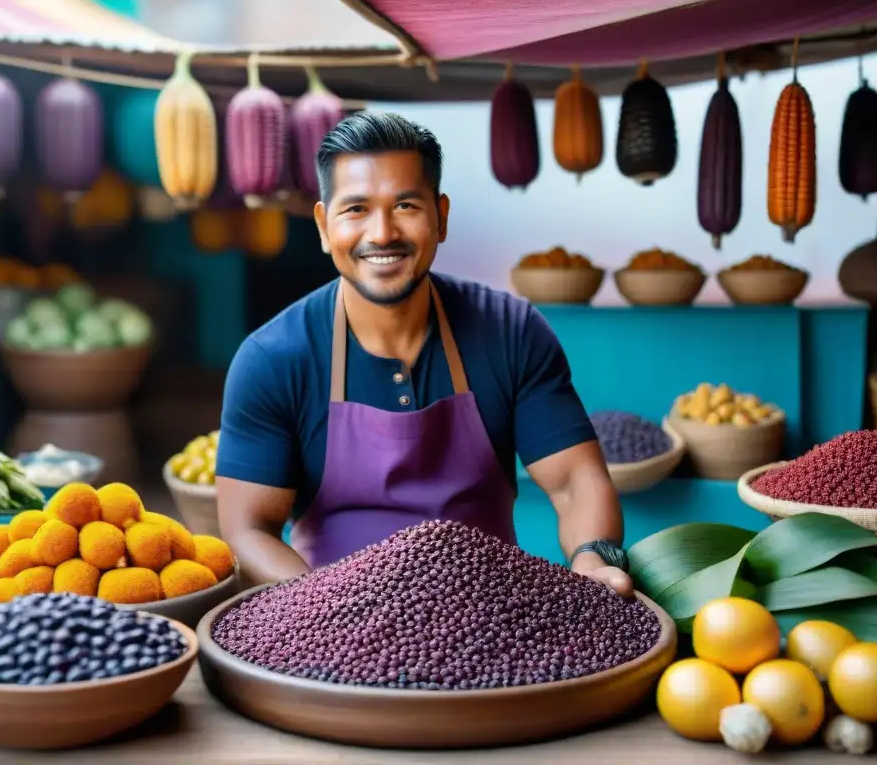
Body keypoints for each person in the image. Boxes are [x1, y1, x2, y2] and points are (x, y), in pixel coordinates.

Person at [216, 111, 632, 597]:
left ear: (442, 218)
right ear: (325, 226)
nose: (383, 233)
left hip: (495, 620)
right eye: (356, 210)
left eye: (406, 205)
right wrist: (326, 609)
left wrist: (593, 561)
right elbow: (249, 529)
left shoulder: (512, 333)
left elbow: (574, 483)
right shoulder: (272, 359)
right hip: (329, 630)